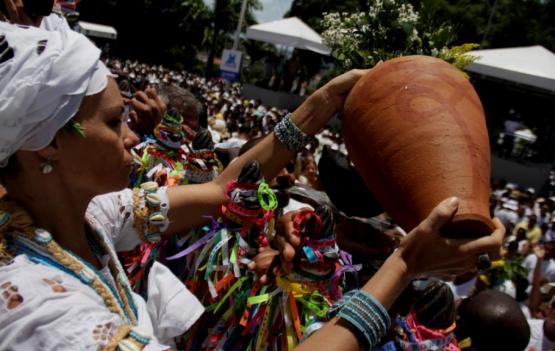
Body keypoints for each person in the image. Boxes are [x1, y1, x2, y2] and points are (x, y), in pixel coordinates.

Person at [0, 21, 505, 351]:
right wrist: (404, 265)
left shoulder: (90, 214)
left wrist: (320, 104)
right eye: (115, 122)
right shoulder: (43, 311)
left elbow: (224, 194)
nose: (134, 134)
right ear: (46, 146)